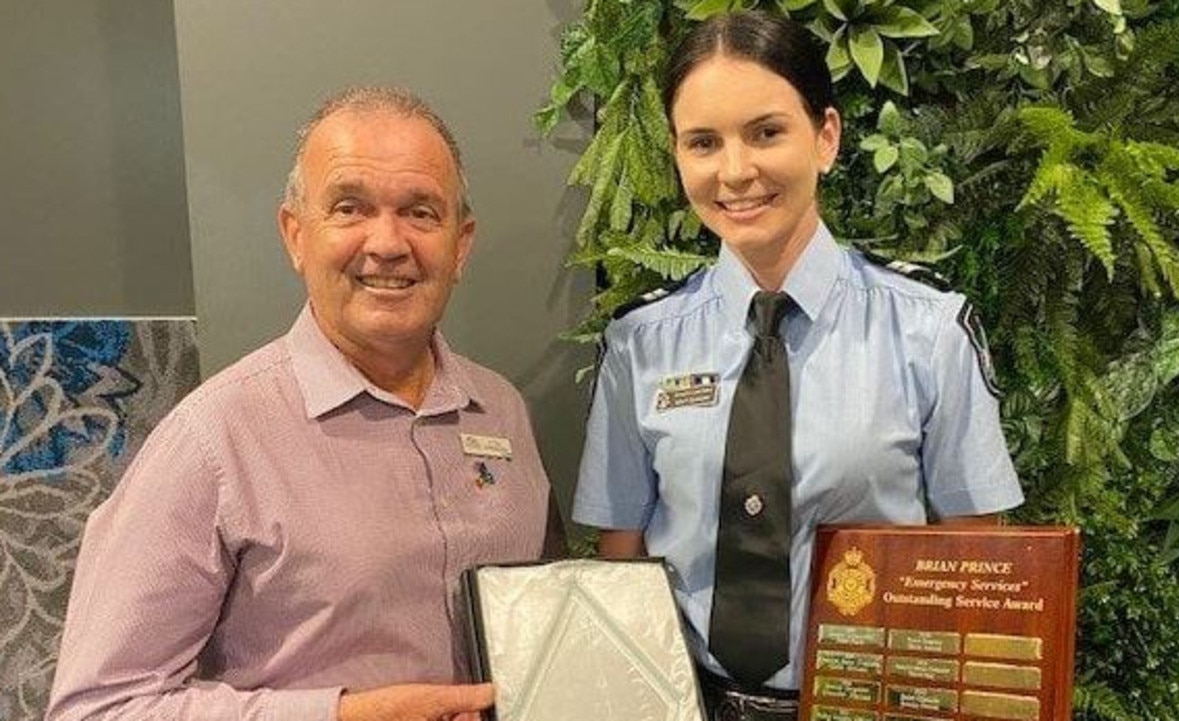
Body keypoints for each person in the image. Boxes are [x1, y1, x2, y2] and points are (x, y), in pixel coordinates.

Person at [46, 86, 561, 721]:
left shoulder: (502, 412)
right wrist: (338, 718)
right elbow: (97, 709)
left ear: (461, 244)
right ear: (295, 235)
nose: (388, 242)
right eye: (350, 208)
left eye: (422, 213)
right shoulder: (213, 442)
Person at [572, 11, 1024, 721]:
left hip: (870, 702)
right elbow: (621, 554)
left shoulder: (929, 330)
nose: (735, 171)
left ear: (826, 136)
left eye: (766, 132)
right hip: (689, 698)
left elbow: (974, 567)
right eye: (703, 142)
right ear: (677, 154)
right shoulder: (640, 343)